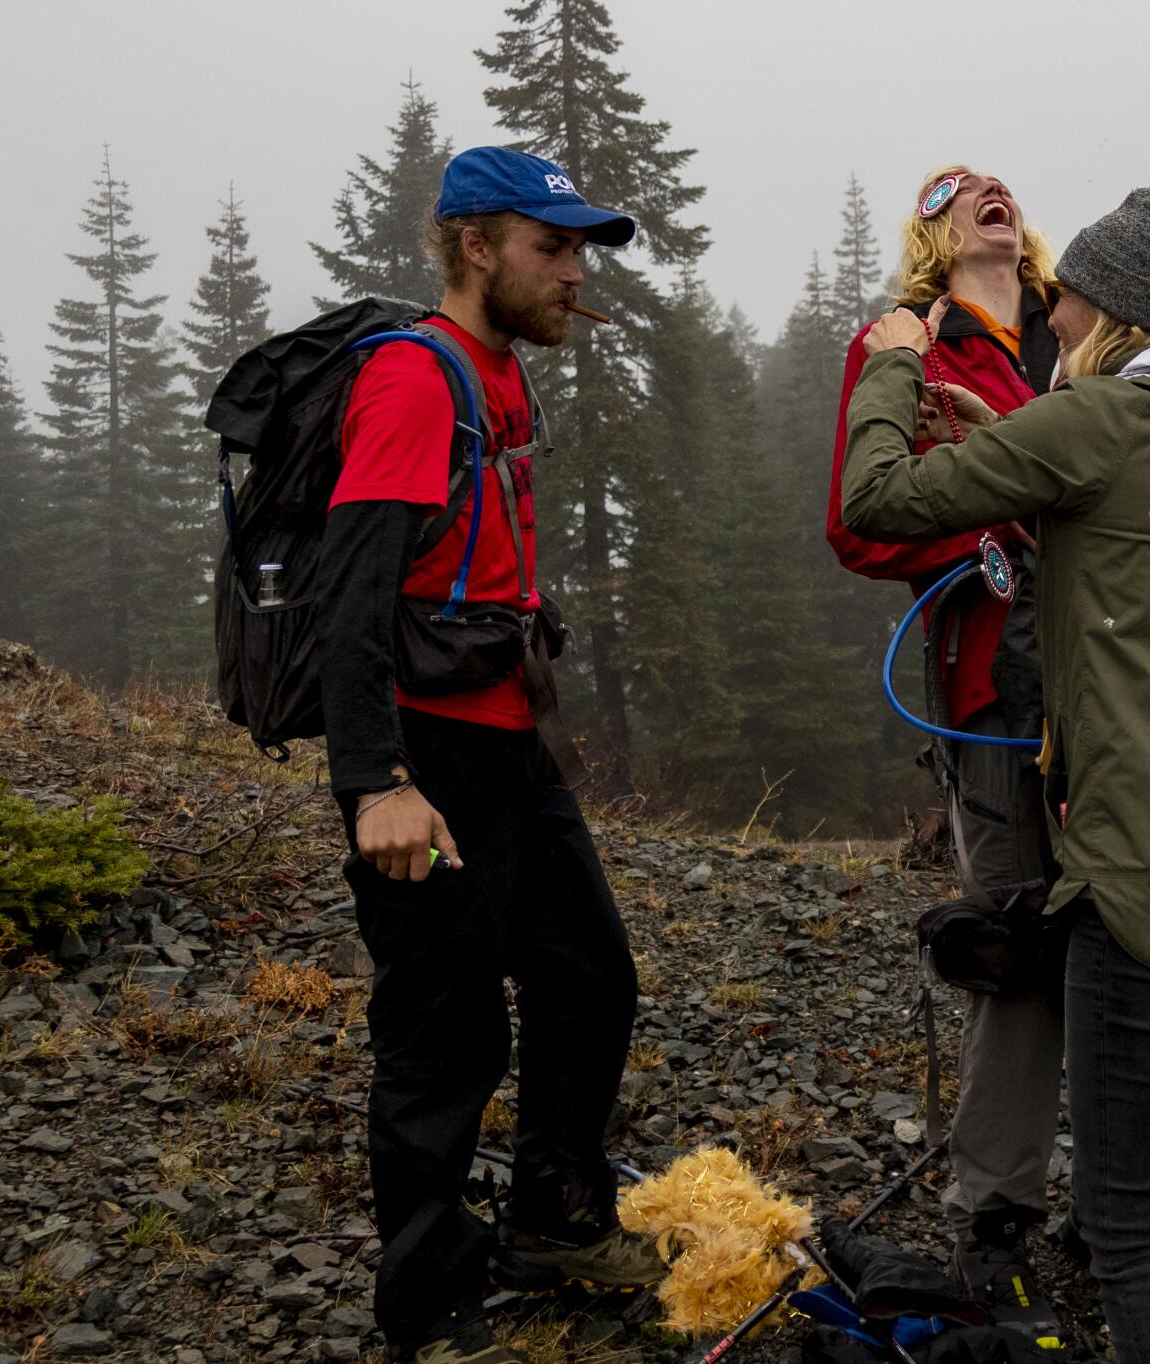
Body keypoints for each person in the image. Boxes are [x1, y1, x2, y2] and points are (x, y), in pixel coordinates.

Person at [840, 185, 1150, 1364]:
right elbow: (1112, 530)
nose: (1051, 303)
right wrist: (1003, 437)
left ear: (1114, 309)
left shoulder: (1095, 421)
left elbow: (874, 502)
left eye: (1070, 293)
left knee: (1129, 1220)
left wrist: (890, 364)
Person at [316, 146, 664, 1364]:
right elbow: (351, 593)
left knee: (587, 975)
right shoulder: (416, 381)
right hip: (430, 756)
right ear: (476, 246)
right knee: (442, 1030)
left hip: (510, 738)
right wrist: (375, 783)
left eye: (578, 251)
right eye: (550, 247)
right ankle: (427, 1303)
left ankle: (552, 1224)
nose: (573, 272)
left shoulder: (498, 374)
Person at [823, 166, 1069, 1340]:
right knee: (1014, 947)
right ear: (930, 235)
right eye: (957, 188)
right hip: (991, 698)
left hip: (1120, 696)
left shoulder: (1083, 337)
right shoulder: (904, 346)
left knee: (1132, 938)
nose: (988, 194)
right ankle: (997, 1217)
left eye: (1002, 186)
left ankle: (1124, 1200)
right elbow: (856, 522)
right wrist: (983, 524)